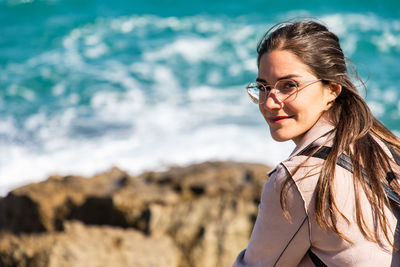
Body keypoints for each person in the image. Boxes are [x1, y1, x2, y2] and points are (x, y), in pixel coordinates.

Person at [233, 20, 400, 267]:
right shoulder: (384, 145)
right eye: (263, 87)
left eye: (289, 85)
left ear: (332, 89)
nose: (269, 102)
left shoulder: (300, 178)